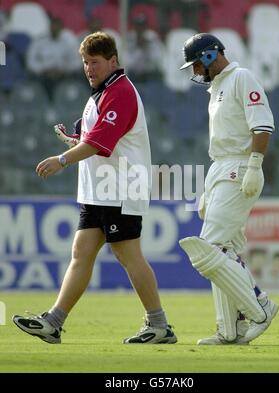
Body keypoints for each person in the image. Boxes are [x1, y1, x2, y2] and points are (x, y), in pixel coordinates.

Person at [13, 31, 177, 345]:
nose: (89, 68)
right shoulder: (101, 93)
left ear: (113, 61)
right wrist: (77, 143)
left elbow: (101, 142)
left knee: (128, 255)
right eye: (86, 63)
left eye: (96, 62)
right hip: (99, 190)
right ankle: (54, 321)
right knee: (81, 253)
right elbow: (99, 141)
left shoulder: (121, 92)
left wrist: (62, 158)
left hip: (120, 188)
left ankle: (159, 325)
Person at [178, 33, 279, 345]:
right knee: (226, 250)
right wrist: (210, 186)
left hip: (240, 166)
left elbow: (262, 125)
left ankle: (260, 305)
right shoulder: (217, 87)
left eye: (196, 64)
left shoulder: (241, 77)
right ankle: (230, 330)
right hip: (221, 167)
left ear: (210, 56)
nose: (194, 71)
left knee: (209, 247)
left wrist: (254, 164)